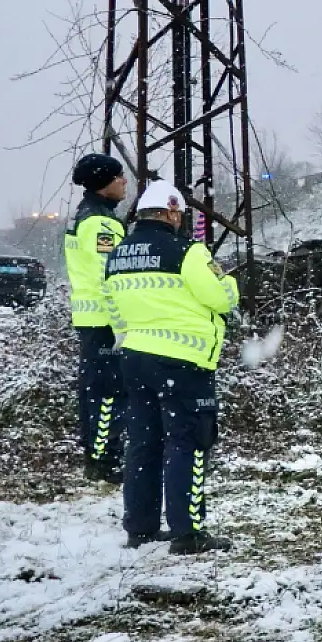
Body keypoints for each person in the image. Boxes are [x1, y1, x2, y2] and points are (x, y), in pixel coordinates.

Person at [103, 182, 239, 555]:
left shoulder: (118, 255)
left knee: (144, 443)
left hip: (134, 358)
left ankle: (141, 529)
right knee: (188, 443)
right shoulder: (189, 251)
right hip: (183, 361)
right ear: (172, 213)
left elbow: (112, 309)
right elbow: (220, 298)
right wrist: (226, 279)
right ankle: (187, 532)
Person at [65, 153, 129, 484]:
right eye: (119, 177)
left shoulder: (85, 215)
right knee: (109, 392)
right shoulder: (101, 224)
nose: (125, 183)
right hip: (105, 320)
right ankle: (106, 460)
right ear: (104, 183)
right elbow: (111, 277)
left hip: (91, 318)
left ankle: (97, 454)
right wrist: (122, 325)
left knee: (95, 389)